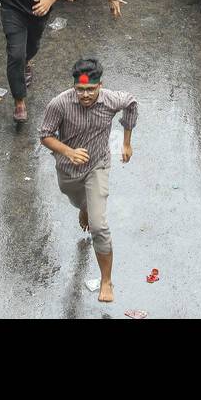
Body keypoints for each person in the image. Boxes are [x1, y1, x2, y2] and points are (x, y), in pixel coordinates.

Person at [39, 58, 137, 304]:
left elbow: (132, 103)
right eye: (80, 89)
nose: (85, 95)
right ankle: (84, 207)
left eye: (91, 89)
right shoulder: (59, 104)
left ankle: (106, 279)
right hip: (68, 170)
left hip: (97, 166)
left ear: (100, 85)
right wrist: (68, 152)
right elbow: (45, 135)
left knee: (99, 226)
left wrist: (126, 141)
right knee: (76, 199)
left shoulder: (111, 99)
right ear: (74, 86)